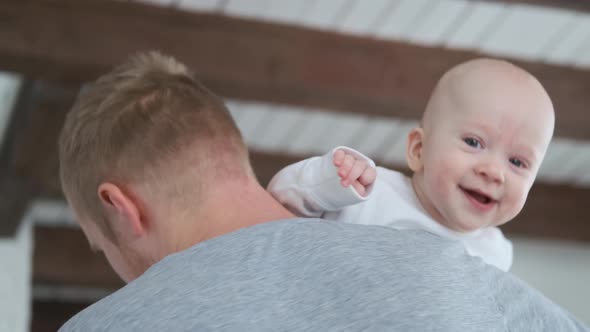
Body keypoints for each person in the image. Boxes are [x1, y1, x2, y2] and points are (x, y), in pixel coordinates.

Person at [58, 52, 588, 331]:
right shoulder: (478, 286)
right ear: (229, 152)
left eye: (99, 246)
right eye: (474, 142)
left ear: (119, 208)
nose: (493, 170)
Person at [268, 58, 555, 272]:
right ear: (419, 149)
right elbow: (279, 198)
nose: (494, 172)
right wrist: (332, 179)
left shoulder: (496, 254)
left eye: (518, 161)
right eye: (473, 142)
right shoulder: (371, 192)